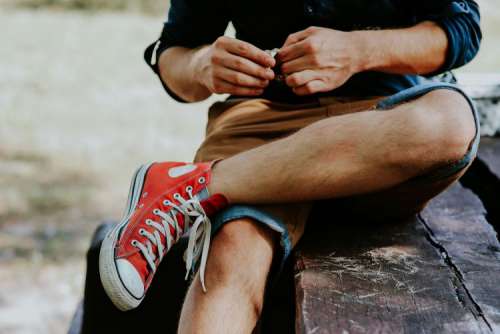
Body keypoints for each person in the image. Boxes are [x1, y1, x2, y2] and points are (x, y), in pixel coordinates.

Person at [98, 1, 482, 333]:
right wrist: (201, 65)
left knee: (450, 122)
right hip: (260, 126)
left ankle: (191, 187)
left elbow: (460, 29)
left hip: (380, 129)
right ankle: (195, 189)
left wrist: (358, 51)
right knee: (232, 252)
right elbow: (174, 51)